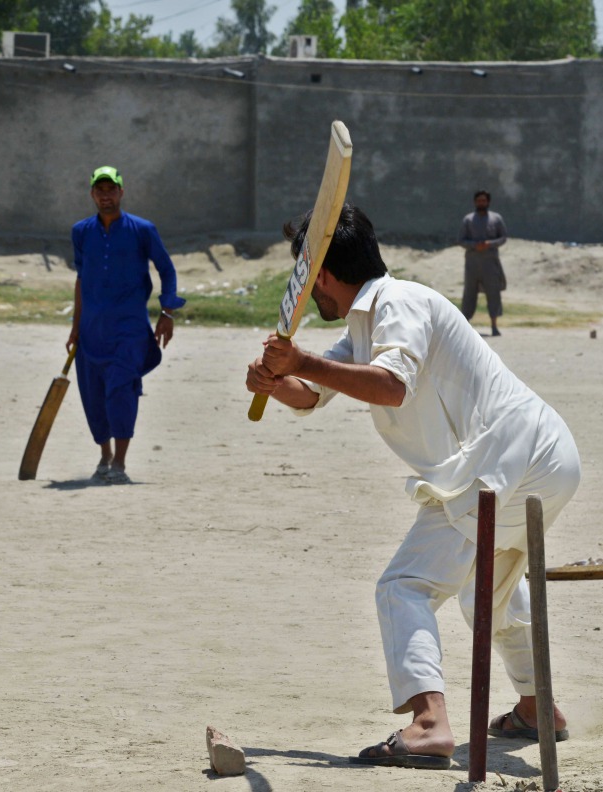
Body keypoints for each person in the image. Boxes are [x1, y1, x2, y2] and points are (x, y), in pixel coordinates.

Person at [246, 204, 580, 770]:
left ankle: (429, 725)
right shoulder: (364, 322)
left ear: (321, 273)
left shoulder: (398, 303)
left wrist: (300, 357)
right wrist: (278, 382)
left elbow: (390, 386)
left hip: (502, 461)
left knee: (404, 586)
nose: (306, 294)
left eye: (305, 278)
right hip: (545, 458)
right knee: (486, 595)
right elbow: (314, 392)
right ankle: (536, 707)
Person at [66, 165, 185, 484]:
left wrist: (168, 312)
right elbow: (81, 279)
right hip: (91, 330)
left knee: (121, 390)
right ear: (92, 193)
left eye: (111, 189)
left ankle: (119, 462)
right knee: (93, 396)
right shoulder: (81, 231)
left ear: (121, 191)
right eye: (99, 190)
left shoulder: (142, 229)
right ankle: (104, 455)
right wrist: (75, 327)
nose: (106, 195)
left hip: (129, 330)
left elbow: (167, 270)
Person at [458, 190, 508, 336]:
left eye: (484, 201)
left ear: (488, 202)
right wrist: (474, 245)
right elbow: (461, 240)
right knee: (469, 293)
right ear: (475, 202)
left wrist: (489, 244)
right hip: (472, 263)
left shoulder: (496, 219)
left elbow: (503, 237)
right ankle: (464, 327)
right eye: (479, 201)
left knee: (493, 294)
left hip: (490, 263)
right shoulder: (468, 219)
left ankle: (494, 326)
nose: (481, 203)